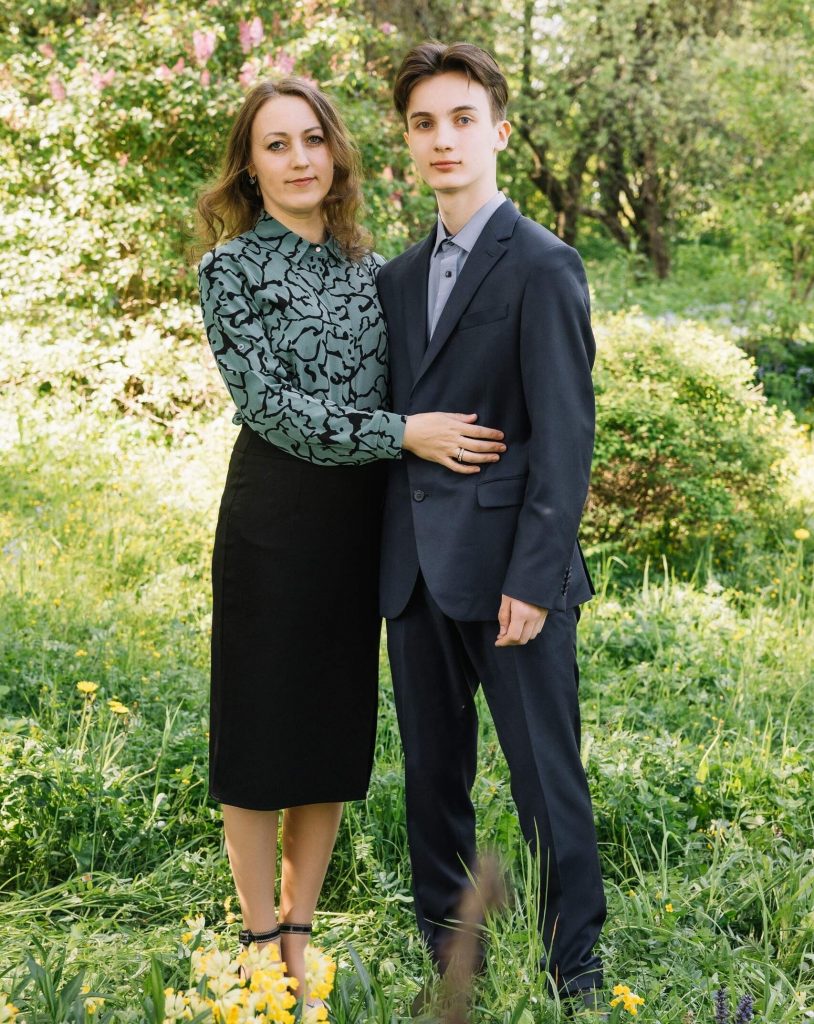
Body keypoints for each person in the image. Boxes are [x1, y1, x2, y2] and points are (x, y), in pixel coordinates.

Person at [195, 76, 506, 1008]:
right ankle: (258, 941)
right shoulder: (230, 270)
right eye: (275, 145)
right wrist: (404, 432)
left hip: (361, 524)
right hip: (273, 518)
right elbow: (271, 407)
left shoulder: (375, 270)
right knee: (261, 731)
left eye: (311, 140)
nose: (298, 159)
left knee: (329, 733)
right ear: (250, 168)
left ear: (335, 153)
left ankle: (301, 932)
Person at [376, 43, 607, 1007]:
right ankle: (450, 960)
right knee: (432, 778)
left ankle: (575, 971)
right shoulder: (395, 279)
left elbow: (565, 434)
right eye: (424, 123)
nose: (444, 139)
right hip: (414, 574)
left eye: (462, 119)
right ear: (408, 142)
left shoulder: (544, 264)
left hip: (513, 572)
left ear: (499, 131)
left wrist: (535, 577)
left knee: (546, 778)